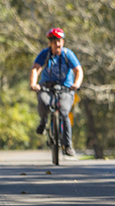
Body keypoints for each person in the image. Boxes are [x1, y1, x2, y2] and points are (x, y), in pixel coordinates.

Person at [29, 28, 84, 157]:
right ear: (50, 43)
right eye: (54, 42)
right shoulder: (45, 54)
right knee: (43, 101)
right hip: (46, 87)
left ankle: (68, 146)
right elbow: (35, 69)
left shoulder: (67, 54)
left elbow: (78, 71)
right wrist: (33, 84)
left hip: (66, 88)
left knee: (64, 112)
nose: (57, 44)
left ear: (63, 42)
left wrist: (76, 84)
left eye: (59, 41)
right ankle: (43, 121)